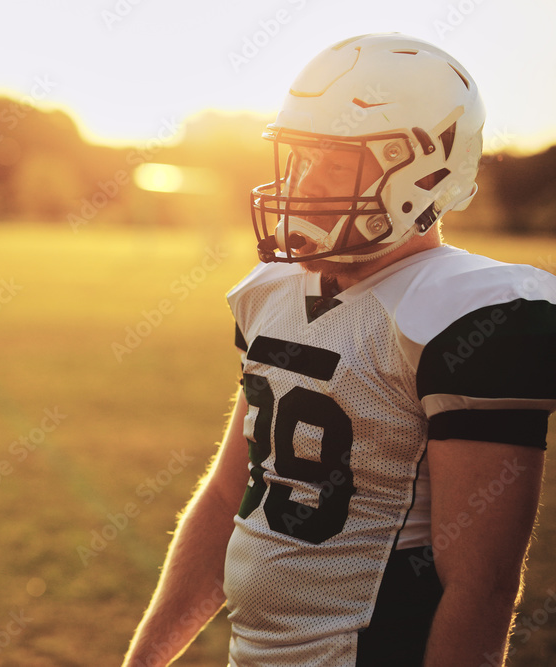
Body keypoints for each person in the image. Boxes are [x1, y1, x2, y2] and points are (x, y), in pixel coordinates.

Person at [123, 33, 556, 666]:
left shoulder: (471, 317)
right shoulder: (270, 293)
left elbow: (482, 584)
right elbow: (227, 498)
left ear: (424, 171)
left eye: (333, 161)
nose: (301, 183)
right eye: (298, 158)